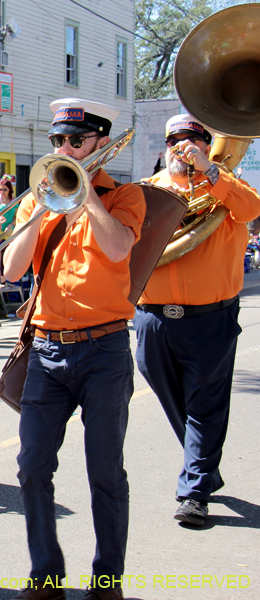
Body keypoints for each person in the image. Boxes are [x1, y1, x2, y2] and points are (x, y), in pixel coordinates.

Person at [3, 98, 146, 600]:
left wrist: (85, 196)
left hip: (104, 349)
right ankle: (45, 575)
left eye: (76, 141)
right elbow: (12, 270)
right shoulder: (37, 198)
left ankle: (107, 580)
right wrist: (41, 211)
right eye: (57, 140)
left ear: (101, 144)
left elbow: (119, 247)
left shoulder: (125, 195)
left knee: (105, 472)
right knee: (32, 467)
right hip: (46, 350)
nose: (64, 149)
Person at [135, 114, 260, 527]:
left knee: (205, 407)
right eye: (174, 139)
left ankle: (194, 493)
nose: (182, 146)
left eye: (192, 139)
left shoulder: (229, 189)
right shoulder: (148, 191)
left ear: (208, 145)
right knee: (183, 406)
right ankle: (204, 465)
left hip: (210, 320)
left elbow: (252, 209)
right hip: (153, 319)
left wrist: (209, 171)